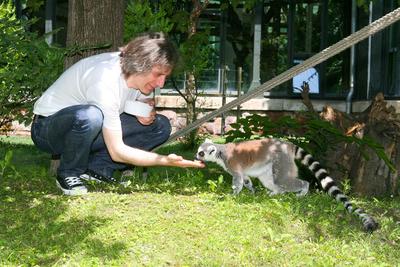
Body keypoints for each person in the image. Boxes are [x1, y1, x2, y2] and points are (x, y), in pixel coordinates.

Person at [31, 32, 204, 196]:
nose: (161, 83)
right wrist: (164, 160)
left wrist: (144, 107)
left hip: (89, 130)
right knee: (91, 116)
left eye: (165, 76)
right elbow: (117, 151)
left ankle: (96, 170)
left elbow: (137, 101)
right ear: (140, 64)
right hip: (47, 129)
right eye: (158, 74)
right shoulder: (104, 80)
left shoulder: (136, 75)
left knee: (160, 126)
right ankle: (68, 173)